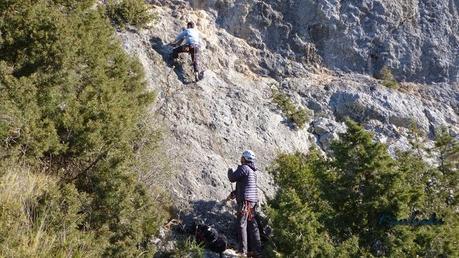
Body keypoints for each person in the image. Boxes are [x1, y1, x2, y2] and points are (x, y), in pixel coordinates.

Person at [227, 150, 262, 257]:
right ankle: (257, 251)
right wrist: (233, 194)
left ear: (244, 158)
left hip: (245, 202)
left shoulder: (244, 168)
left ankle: (243, 251)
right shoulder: (252, 172)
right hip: (252, 202)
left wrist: (230, 171)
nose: (240, 158)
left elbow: (232, 178)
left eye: (242, 157)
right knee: (252, 226)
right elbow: (244, 186)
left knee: (241, 224)